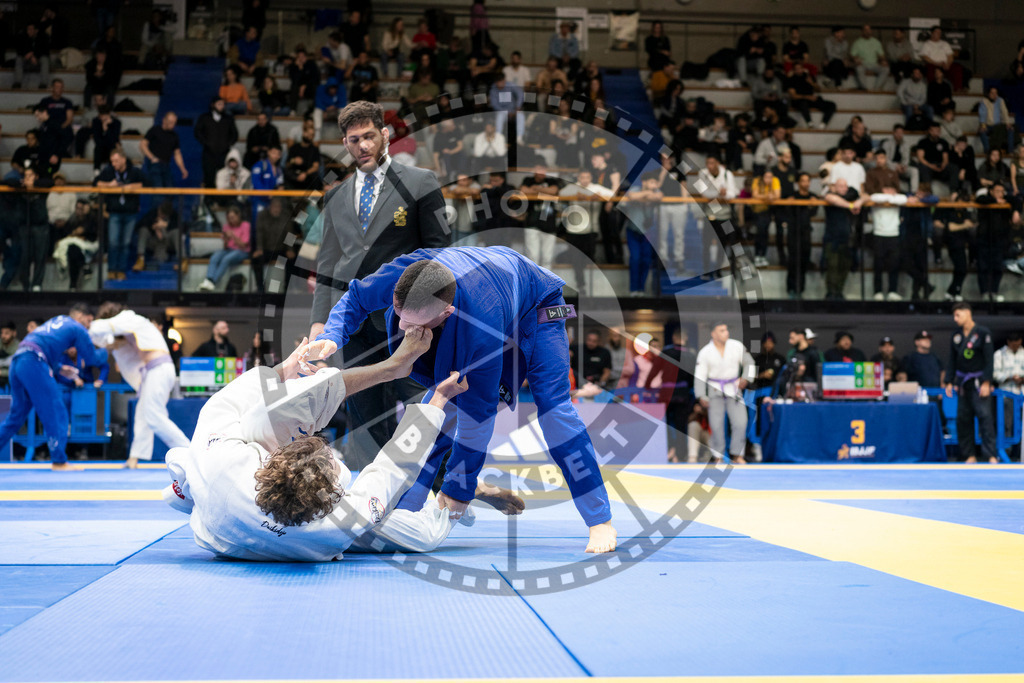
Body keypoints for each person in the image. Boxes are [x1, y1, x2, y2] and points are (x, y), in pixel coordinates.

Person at [304, 248, 618, 553]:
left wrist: (459, 488)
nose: (406, 330)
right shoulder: (405, 274)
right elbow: (357, 297)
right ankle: (407, 507)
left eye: (418, 325)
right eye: (401, 317)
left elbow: (479, 416)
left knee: (553, 410)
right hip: (488, 288)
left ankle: (599, 519)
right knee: (438, 407)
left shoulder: (481, 325)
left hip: (537, 306)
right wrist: (331, 336)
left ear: (446, 313)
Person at [164, 329, 522, 560]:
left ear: (272, 459)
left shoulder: (220, 458)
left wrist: (286, 369)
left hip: (221, 508)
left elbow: (229, 400)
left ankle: (185, 488)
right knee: (422, 534)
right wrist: (438, 400)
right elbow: (391, 470)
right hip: (266, 527)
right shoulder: (334, 525)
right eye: (335, 469)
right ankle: (456, 496)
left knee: (197, 464)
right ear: (330, 500)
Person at [311, 101, 449, 473]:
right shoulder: (336, 197)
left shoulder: (420, 182)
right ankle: (372, 498)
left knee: (422, 403)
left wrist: (434, 311)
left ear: (385, 135)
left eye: (370, 136)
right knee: (365, 414)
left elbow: (440, 254)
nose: (363, 145)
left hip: (407, 318)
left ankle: (444, 489)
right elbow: (327, 265)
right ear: (345, 143)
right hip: (353, 323)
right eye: (354, 139)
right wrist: (320, 322)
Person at [0, 304, 107, 471]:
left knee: (15, 417)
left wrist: (59, 368)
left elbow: (44, 346)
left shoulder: (58, 320)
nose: (89, 326)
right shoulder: (77, 328)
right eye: (89, 321)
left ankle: (58, 459)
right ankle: (59, 461)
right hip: (33, 361)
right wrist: (109, 349)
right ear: (80, 316)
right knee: (57, 411)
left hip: (19, 360)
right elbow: (92, 358)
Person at [88, 303, 190, 469]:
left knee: (154, 416)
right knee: (142, 415)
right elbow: (105, 340)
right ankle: (134, 457)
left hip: (159, 368)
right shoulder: (127, 329)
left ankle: (189, 451)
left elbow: (103, 328)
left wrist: (84, 327)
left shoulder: (130, 318)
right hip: (152, 372)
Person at [694, 322, 756, 465]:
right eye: (722, 330)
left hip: (734, 389)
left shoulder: (736, 346)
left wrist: (746, 378)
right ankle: (718, 456)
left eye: (726, 330)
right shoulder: (705, 352)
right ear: (713, 334)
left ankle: (737, 454)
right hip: (715, 391)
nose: (726, 332)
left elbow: (750, 363)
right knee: (716, 426)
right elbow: (699, 375)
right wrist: (701, 395)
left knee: (741, 423)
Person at [945, 303, 998, 464]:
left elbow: (989, 360)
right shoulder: (956, 335)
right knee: (963, 419)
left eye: (958, 315)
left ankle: (991, 455)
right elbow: (952, 360)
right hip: (962, 383)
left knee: (985, 417)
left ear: (968, 313)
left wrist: (987, 382)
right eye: (954, 316)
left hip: (979, 382)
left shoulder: (983, 333)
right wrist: (949, 381)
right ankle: (969, 455)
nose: (955, 319)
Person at [94, 149, 144, 282]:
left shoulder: (134, 171)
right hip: (115, 212)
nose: (114, 164)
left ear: (123, 159)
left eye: (116, 161)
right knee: (113, 242)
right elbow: (96, 183)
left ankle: (121, 270)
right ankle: (112, 270)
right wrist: (109, 185)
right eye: (112, 161)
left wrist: (130, 187)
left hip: (130, 213)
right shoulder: (109, 171)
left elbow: (145, 183)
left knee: (125, 243)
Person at [622, 171, 662, 296]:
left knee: (646, 260)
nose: (654, 185)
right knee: (635, 258)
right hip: (633, 230)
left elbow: (659, 196)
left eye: (656, 182)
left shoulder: (656, 192)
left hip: (648, 233)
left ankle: (641, 289)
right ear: (644, 182)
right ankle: (633, 289)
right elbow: (632, 196)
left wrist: (647, 194)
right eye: (652, 182)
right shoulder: (635, 188)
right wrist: (647, 193)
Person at [869, 182, 909, 301]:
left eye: (892, 189)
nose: (889, 192)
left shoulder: (898, 198)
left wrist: (891, 198)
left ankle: (892, 291)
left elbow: (904, 199)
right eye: (886, 189)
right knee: (878, 265)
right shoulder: (877, 197)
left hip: (894, 235)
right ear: (882, 189)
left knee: (894, 264)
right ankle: (878, 291)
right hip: (879, 234)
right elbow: (874, 197)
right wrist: (890, 198)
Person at [198, 204, 250, 292]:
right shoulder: (226, 226)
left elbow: (243, 245)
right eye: (229, 218)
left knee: (226, 259)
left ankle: (213, 282)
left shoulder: (246, 225)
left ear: (238, 215)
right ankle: (209, 279)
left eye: (233, 217)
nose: (231, 220)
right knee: (215, 256)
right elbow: (225, 246)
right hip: (229, 250)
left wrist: (233, 236)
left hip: (242, 251)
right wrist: (226, 238)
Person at [194, 97, 239, 188]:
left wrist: (228, 144)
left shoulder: (228, 119)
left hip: (224, 154)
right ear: (213, 105)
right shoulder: (205, 118)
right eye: (219, 104)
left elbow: (234, 134)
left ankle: (222, 197)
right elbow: (197, 132)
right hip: (209, 153)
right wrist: (206, 143)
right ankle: (209, 196)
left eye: (223, 104)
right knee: (209, 177)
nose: (221, 106)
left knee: (224, 178)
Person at [141, 112, 188, 188]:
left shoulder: (174, 136)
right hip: (155, 164)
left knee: (169, 188)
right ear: (164, 120)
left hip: (166, 165)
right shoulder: (155, 130)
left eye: (174, 123)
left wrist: (183, 169)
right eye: (170, 122)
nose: (172, 125)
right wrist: (152, 157)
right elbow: (143, 145)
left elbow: (177, 154)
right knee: (158, 187)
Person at [785, 62, 835, 129]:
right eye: (796, 69)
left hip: (811, 100)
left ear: (803, 68)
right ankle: (810, 123)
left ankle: (823, 124)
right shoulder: (791, 80)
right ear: (794, 70)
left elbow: (818, 89)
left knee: (831, 105)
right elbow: (793, 96)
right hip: (799, 101)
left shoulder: (808, 77)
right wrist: (807, 97)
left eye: (800, 68)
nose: (799, 70)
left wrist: (812, 83)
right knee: (803, 103)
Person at [134, 200, 180, 272]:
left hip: (167, 241)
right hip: (154, 241)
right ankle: (140, 259)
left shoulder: (174, 215)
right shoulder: (153, 213)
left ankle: (182, 260)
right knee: (143, 230)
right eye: (160, 213)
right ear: (159, 208)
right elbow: (139, 225)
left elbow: (183, 227)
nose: (161, 215)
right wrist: (154, 227)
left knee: (177, 232)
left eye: (164, 215)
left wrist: (166, 225)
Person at [850, 24, 888, 91]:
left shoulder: (876, 42)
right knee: (859, 68)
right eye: (866, 30)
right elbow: (852, 55)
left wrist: (883, 61)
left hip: (874, 64)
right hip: (863, 64)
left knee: (886, 69)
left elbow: (881, 55)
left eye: (869, 30)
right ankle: (865, 88)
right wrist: (856, 59)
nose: (868, 31)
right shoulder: (857, 42)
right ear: (862, 31)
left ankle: (876, 89)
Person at [13, 22, 50, 90]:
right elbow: (19, 51)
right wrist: (30, 55)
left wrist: (33, 54)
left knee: (45, 59)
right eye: (28, 29)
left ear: (36, 30)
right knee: (19, 59)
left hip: (37, 62)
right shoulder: (23, 37)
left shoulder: (42, 38)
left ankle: (43, 83)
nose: (29, 31)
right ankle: (17, 82)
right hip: (27, 62)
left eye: (31, 29)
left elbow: (45, 51)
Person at [287, 49, 321, 116]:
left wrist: (304, 86)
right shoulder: (293, 66)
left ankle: (313, 111)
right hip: (298, 88)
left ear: (306, 57)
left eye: (302, 56)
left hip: (309, 87)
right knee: (294, 87)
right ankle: (293, 110)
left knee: (316, 88)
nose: (301, 59)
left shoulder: (311, 64)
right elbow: (294, 80)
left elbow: (315, 79)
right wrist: (299, 69)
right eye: (299, 57)